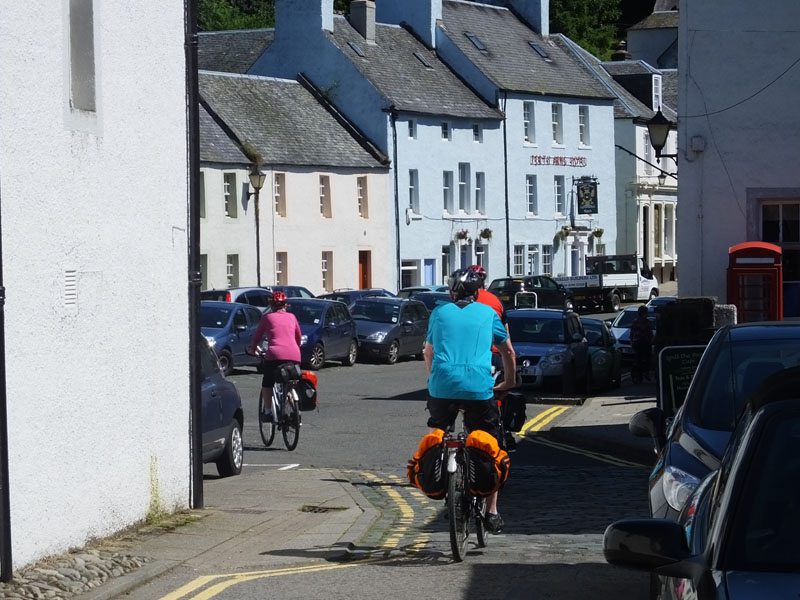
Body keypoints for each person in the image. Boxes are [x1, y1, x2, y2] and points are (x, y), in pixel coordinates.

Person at [423, 268, 517, 533]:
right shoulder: (489, 314)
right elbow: (507, 351)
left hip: (441, 387)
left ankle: (441, 480)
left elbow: (428, 353)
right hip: (478, 387)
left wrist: (434, 381)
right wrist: (508, 382)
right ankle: (492, 512)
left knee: (438, 433)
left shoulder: (439, 313)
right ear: (478, 293)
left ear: (451, 293)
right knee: (490, 443)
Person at [248, 291, 302, 420]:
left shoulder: (267, 318)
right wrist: (294, 348)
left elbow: (256, 338)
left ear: (271, 305)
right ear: (285, 305)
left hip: (274, 355)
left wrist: (253, 350)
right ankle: (296, 412)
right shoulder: (292, 317)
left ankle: (267, 412)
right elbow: (298, 337)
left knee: (268, 383)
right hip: (294, 355)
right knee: (289, 384)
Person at [629, 304, 653, 383]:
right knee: (640, 360)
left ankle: (644, 373)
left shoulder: (642, 322)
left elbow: (650, 333)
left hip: (644, 343)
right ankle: (640, 375)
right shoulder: (638, 322)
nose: (646, 315)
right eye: (645, 313)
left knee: (645, 359)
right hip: (640, 343)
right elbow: (632, 334)